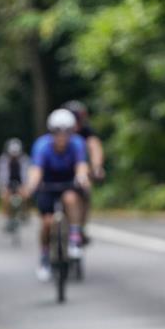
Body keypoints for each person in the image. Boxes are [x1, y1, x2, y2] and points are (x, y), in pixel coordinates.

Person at [22, 109, 91, 282]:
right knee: (47, 223)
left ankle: (75, 238)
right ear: (51, 132)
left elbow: (81, 165)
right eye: (57, 133)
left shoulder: (77, 143)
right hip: (48, 183)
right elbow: (36, 170)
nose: (61, 137)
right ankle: (44, 258)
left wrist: (82, 178)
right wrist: (31, 186)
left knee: (71, 198)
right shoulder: (42, 145)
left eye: (66, 132)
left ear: (71, 132)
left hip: (69, 182)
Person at [63, 100, 105, 243]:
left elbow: (95, 147)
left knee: (85, 189)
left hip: (80, 169)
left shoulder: (86, 132)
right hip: (59, 169)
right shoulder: (58, 131)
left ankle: (80, 226)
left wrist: (97, 167)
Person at [0, 138, 31, 232]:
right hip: (8, 182)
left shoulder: (24, 159)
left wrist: (25, 187)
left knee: (25, 195)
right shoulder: (3, 160)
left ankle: (24, 212)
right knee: (5, 196)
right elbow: (2, 175)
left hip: (20, 181)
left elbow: (26, 174)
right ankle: (7, 218)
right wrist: (3, 187)